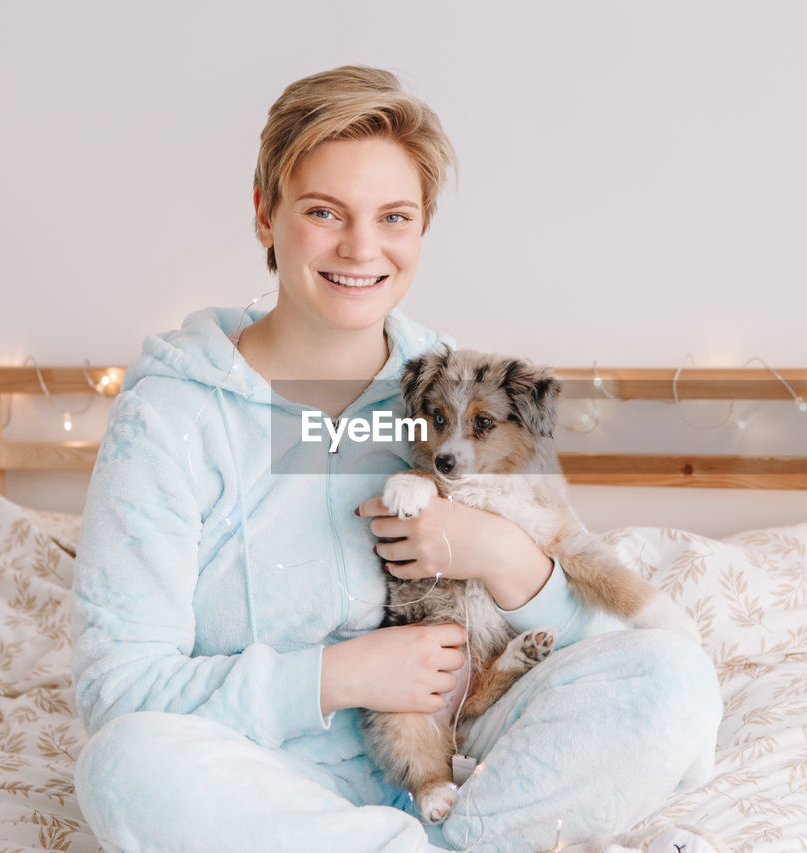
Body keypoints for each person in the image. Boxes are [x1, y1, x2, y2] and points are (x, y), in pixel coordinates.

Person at [71, 65, 722, 853]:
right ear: (265, 214)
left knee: (672, 675)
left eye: (394, 217)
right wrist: (341, 675)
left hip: (469, 748)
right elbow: (120, 690)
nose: (361, 248)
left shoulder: (453, 393)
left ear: (421, 229)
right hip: (257, 783)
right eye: (323, 212)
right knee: (121, 765)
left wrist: (500, 552)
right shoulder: (172, 416)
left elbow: (587, 637)